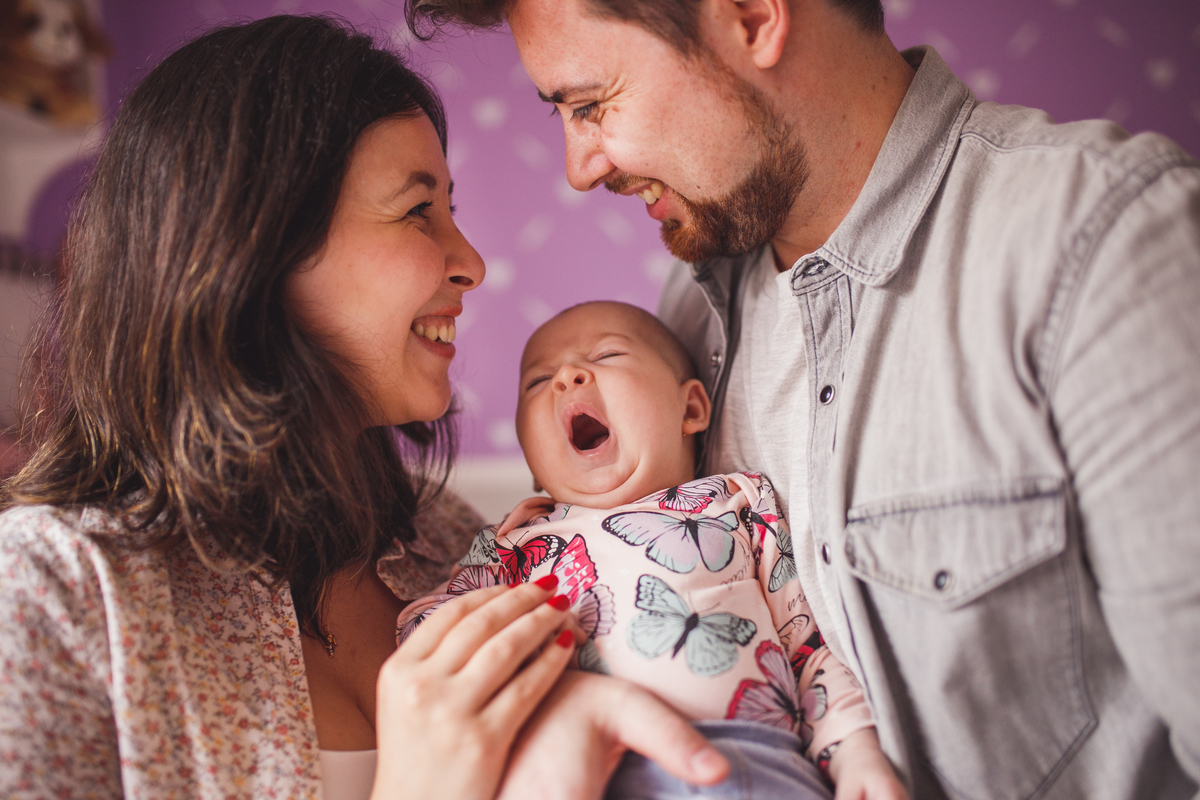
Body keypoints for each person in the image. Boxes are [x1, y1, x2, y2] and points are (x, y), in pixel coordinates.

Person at [407, 0, 1200, 798]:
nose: (581, 166)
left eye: (591, 104)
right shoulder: (688, 318)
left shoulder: (1102, 241)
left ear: (752, 17)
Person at [0, 16, 732, 800]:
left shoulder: (449, 543)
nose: (472, 264)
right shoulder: (54, 592)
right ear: (253, 250)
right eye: (419, 211)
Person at [398, 300, 907, 800]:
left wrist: (855, 748)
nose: (567, 376)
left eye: (606, 356)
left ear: (689, 408)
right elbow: (424, 632)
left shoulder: (737, 502)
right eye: (537, 380)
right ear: (532, 455)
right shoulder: (513, 543)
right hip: (591, 769)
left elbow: (808, 646)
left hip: (756, 764)